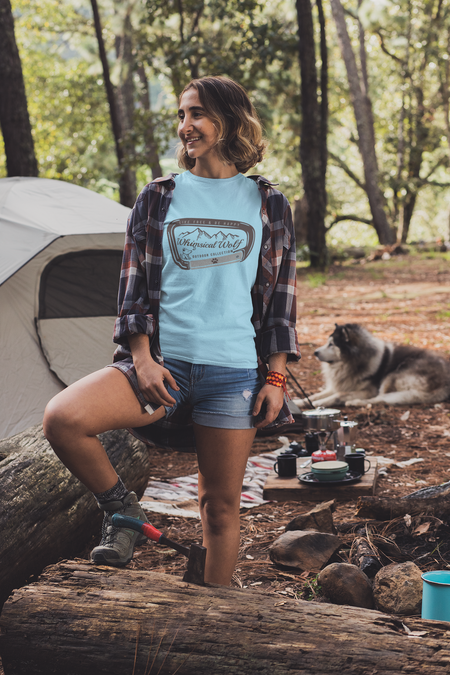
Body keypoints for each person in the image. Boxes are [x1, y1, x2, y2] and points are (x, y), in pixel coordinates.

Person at [43, 75, 300, 586]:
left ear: (230, 120)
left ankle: (211, 618)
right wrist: (141, 358)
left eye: (197, 114)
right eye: (182, 115)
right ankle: (123, 512)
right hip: (163, 367)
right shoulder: (159, 197)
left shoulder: (269, 204)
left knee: (220, 508)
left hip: (234, 374)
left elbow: (280, 301)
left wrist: (275, 377)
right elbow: (132, 290)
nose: (186, 126)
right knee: (63, 418)